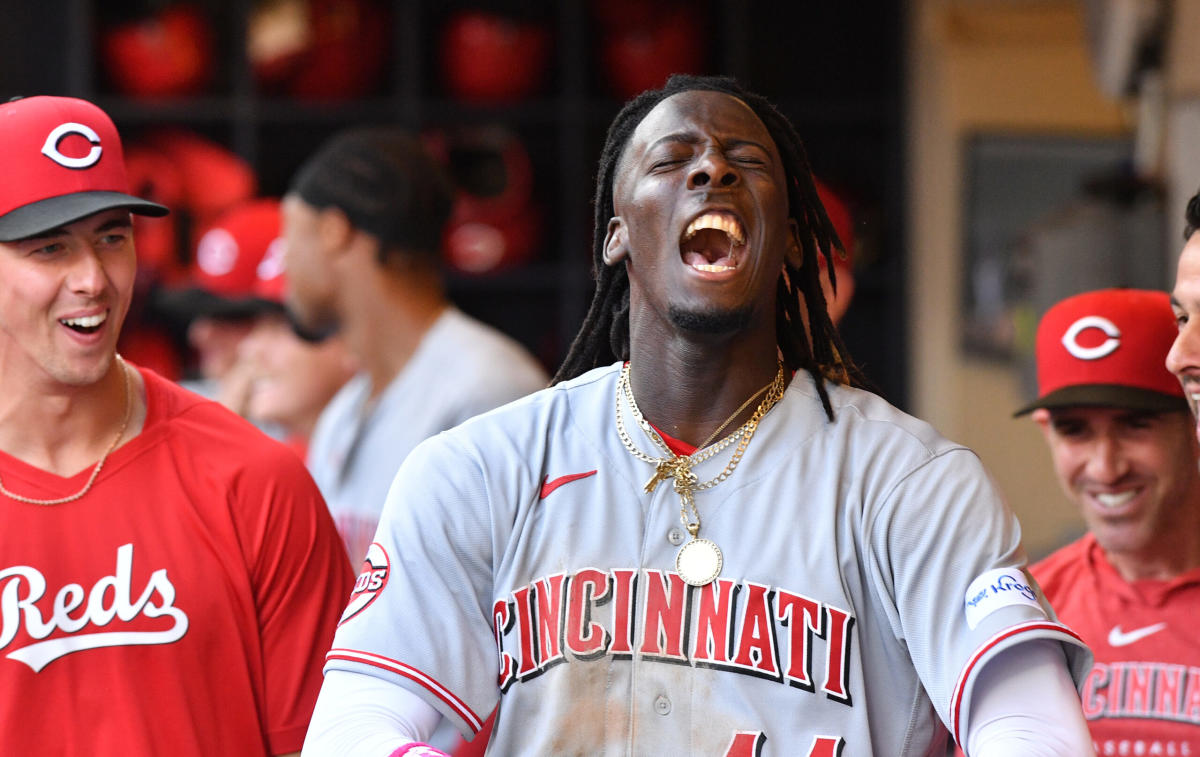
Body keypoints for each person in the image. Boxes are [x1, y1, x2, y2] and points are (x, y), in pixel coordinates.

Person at [301, 75, 1094, 757]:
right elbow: (353, 723)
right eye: (673, 159)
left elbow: (1034, 727)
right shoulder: (483, 467)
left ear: (789, 241)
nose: (712, 168)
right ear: (616, 234)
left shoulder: (910, 482)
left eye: (746, 162)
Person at [0, 95, 355, 755]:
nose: (93, 279)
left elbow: (328, 742)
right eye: (48, 247)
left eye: (112, 236)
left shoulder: (255, 480)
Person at [280, 126, 549, 562]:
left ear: (334, 231)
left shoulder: (492, 390)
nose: (286, 259)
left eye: (289, 234)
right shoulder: (346, 408)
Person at [1017, 288, 1200, 756]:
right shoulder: (1027, 614)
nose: (1105, 467)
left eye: (1136, 425)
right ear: (1046, 431)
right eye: (1074, 429)